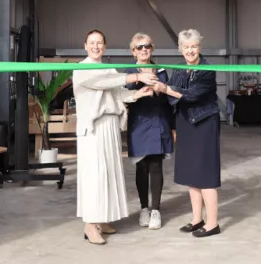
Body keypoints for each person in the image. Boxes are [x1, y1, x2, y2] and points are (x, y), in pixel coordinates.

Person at [72, 29, 156, 245]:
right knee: (94, 176)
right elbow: (102, 83)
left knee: (108, 174)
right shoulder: (81, 69)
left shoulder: (108, 68)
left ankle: (102, 219)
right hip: (93, 129)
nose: (96, 46)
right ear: (85, 45)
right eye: (92, 42)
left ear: (105, 46)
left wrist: (137, 93)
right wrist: (137, 76)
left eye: (100, 43)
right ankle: (90, 225)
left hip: (109, 126)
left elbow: (117, 93)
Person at [152, 29, 222, 238]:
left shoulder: (207, 70)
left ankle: (212, 223)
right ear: (180, 49)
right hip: (185, 124)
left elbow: (191, 95)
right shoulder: (180, 68)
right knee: (192, 175)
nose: (190, 51)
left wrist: (165, 89)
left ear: (200, 47)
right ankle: (196, 219)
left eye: (194, 46)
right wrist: (160, 89)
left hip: (204, 123)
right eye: (186, 47)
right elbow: (175, 98)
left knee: (206, 175)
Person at [124, 33, 175, 230]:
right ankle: (144, 208)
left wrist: (172, 126)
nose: (144, 49)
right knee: (141, 167)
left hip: (158, 123)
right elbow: (126, 93)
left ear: (152, 48)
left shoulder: (161, 71)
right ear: (133, 51)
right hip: (139, 125)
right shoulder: (130, 72)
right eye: (139, 47)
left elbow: (169, 101)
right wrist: (139, 82)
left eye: (147, 46)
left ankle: (156, 210)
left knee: (156, 166)